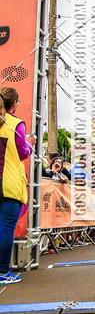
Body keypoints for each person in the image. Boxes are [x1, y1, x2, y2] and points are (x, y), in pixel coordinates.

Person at [0, 87, 34, 284]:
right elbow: (23, 152)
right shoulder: (15, 124)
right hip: (9, 183)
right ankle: (3, 271)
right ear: (14, 104)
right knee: (5, 228)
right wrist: (30, 143)